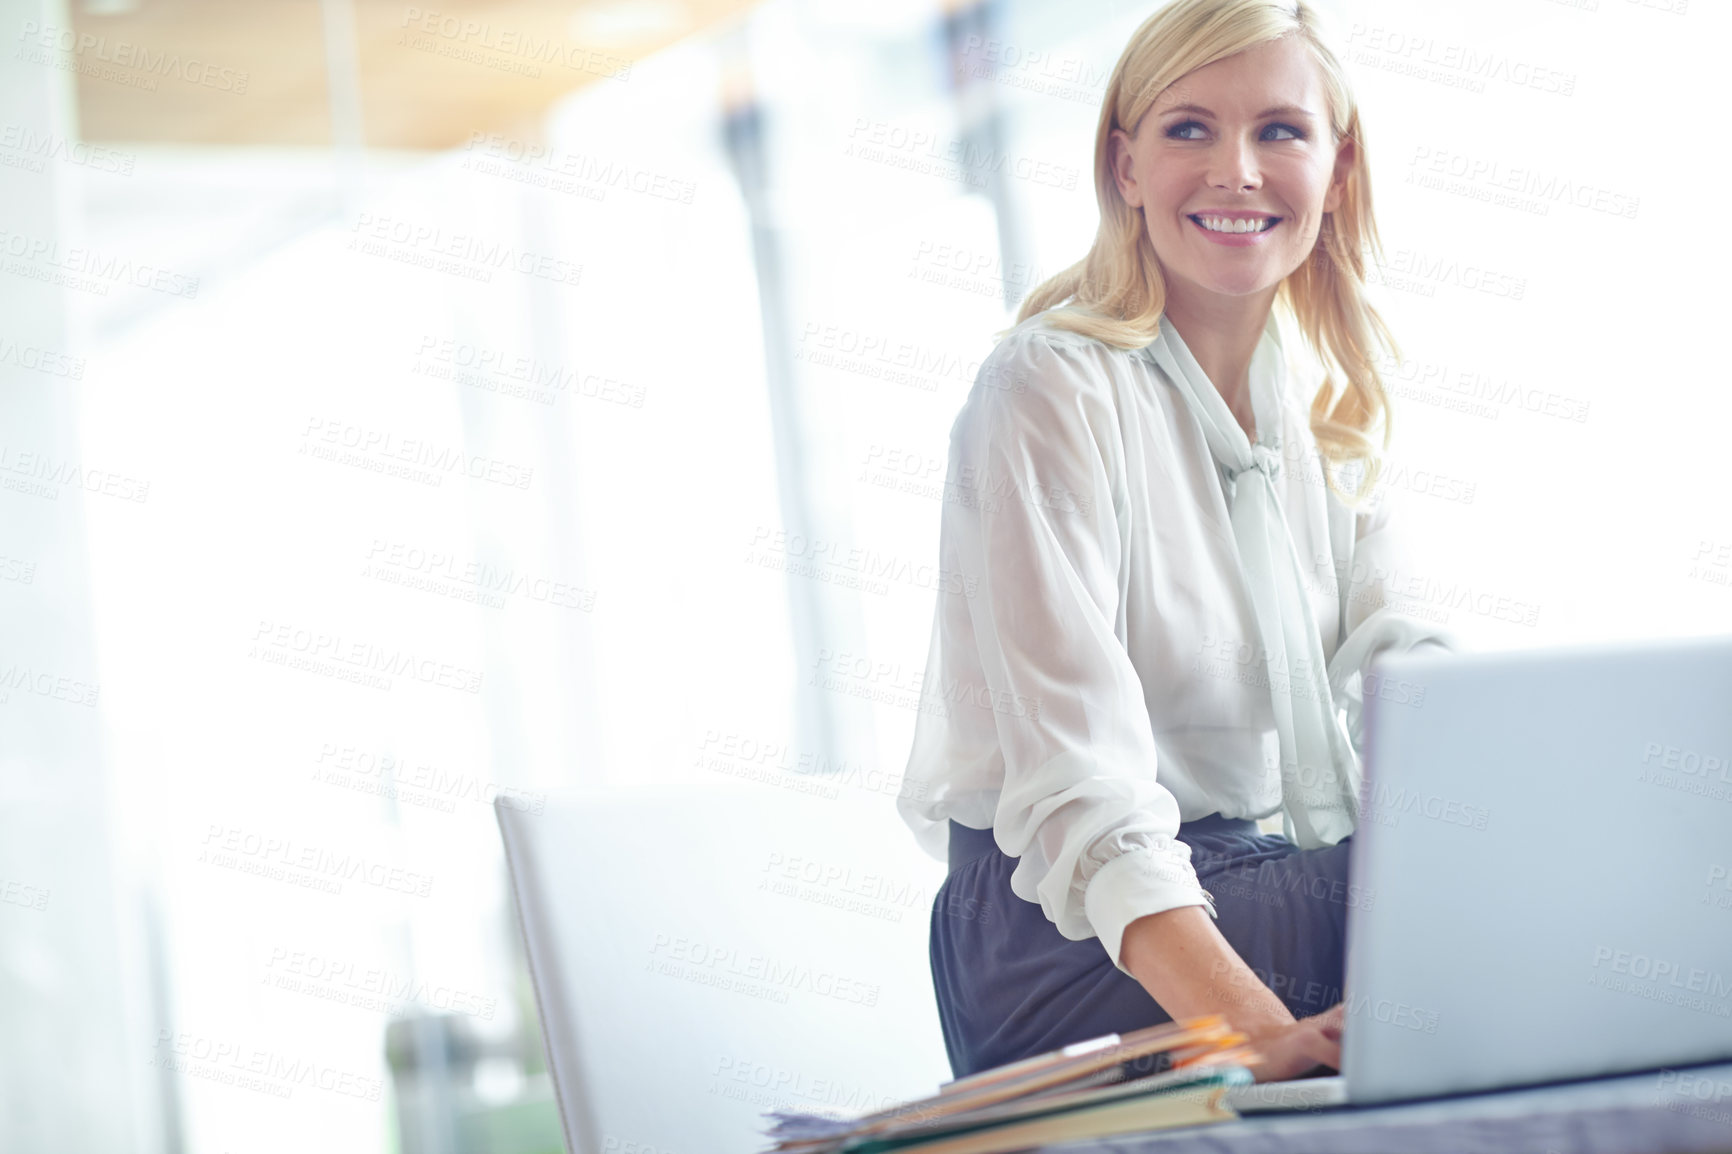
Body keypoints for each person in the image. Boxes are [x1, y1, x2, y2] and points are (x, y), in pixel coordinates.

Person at [897, 0, 1459, 1085]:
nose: (1237, 170)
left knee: (1530, 889)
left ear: (1336, 173)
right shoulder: (1045, 389)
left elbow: (1412, 677)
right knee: (1493, 922)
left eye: (1281, 132)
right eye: (1188, 129)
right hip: (1057, 928)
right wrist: (1257, 1031)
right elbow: (1077, 785)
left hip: (1265, 873)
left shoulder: (1324, 416)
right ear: (1124, 168)